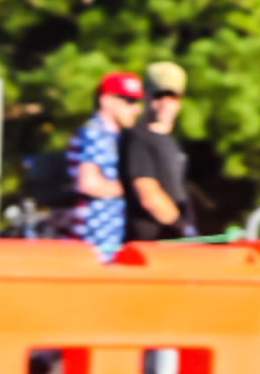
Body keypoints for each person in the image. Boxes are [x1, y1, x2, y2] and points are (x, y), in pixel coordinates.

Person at [63, 71, 144, 258]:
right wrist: (134, 189)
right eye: (129, 101)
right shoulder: (94, 133)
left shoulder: (113, 136)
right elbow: (88, 184)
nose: (136, 109)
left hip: (110, 236)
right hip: (93, 238)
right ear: (106, 100)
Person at [121, 61, 195, 242]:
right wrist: (183, 228)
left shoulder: (170, 141)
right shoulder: (138, 138)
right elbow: (149, 195)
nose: (165, 103)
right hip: (151, 244)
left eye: (172, 96)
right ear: (145, 96)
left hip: (172, 241)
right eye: (158, 95)